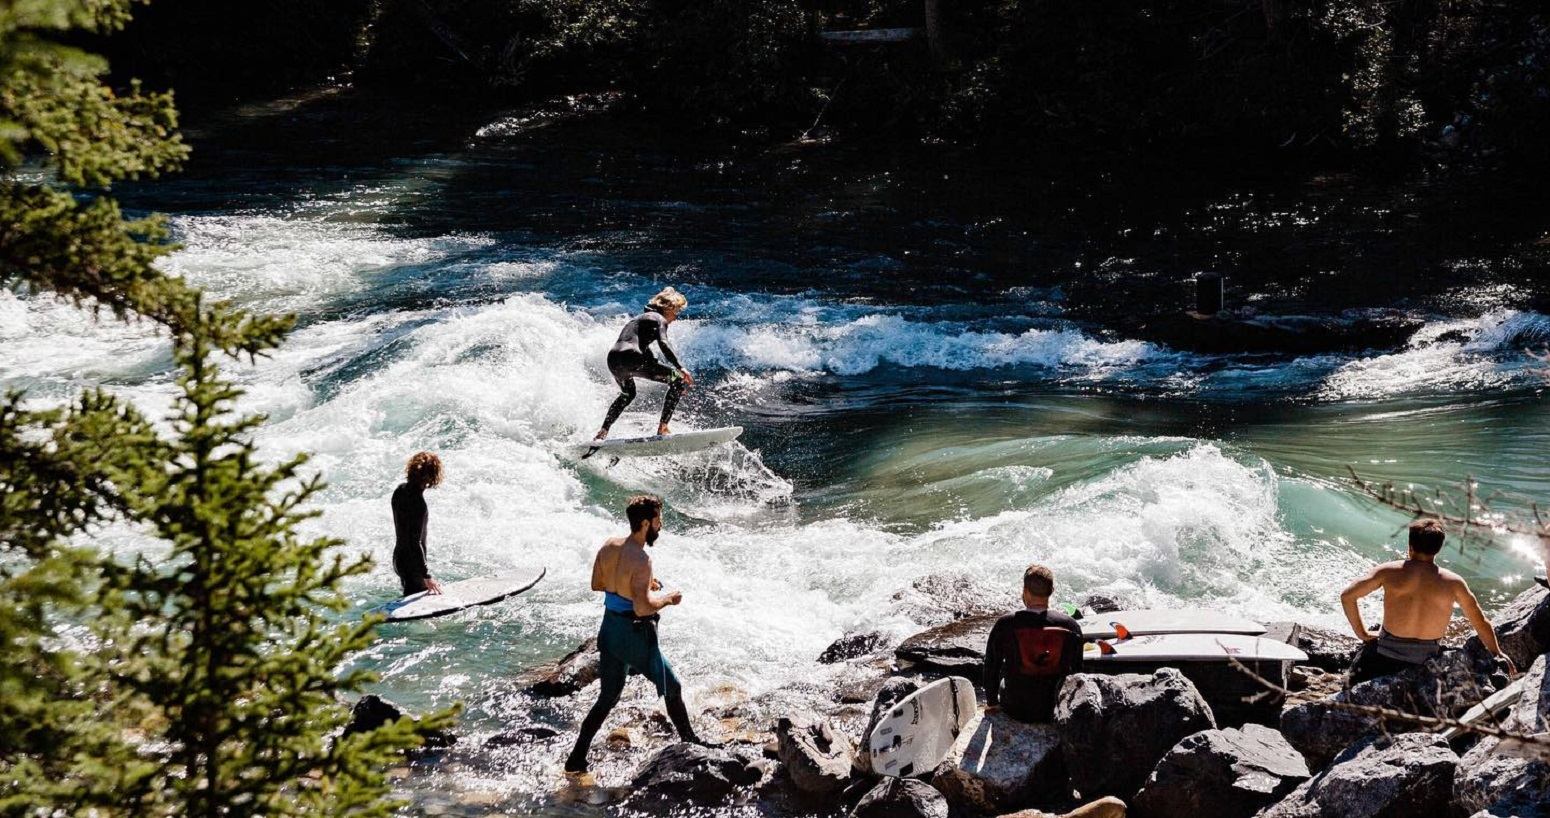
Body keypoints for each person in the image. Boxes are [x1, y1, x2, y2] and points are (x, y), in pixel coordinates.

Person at [565, 495, 702, 775]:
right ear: (644, 523)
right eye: (657, 521)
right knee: (673, 687)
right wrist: (667, 598)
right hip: (634, 635)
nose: (660, 526)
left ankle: (576, 759)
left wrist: (640, 584)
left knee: (607, 698)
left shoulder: (609, 545)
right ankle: (691, 743)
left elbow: (598, 584)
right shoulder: (642, 558)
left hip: (609, 631)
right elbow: (641, 608)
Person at [1341, 518, 1514, 686]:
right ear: (1438, 549)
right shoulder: (1454, 582)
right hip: (1425, 660)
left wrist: (1362, 634)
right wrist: (1497, 652)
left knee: (1350, 687)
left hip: (1384, 654)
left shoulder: (1388, 571)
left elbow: (1347, 596)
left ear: (1410, 547)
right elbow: (1480, 622)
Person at [983, 564, 1085, 723]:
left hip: (1015, 708)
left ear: (1024, 591)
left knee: (1004, 681)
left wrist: (992, 703)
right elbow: (1078, 671)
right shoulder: (1070, 625)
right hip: (1054, 707)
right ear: (1052, 591)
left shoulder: (1006, 624)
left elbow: (991, 665)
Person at [595, 287, 694, 441]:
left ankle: (603, 431)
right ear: (669, 308)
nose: (676, 317)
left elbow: (638, 347)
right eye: (676, 312)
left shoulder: (640, 319)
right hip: (632, 357)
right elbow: (664, 343)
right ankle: (663, 428)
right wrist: (680, 367)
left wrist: (654, 363)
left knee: (628, 394)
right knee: (678, 380)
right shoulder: (658, 319)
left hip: (614, 360)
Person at [391, 451, 444, 597]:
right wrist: (427, 576)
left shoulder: (399, 490)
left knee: (408, 599)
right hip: (412, 565)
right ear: (431, 476)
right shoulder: (419, 505)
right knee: (419, 606)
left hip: (398, 558)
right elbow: (415, 542)